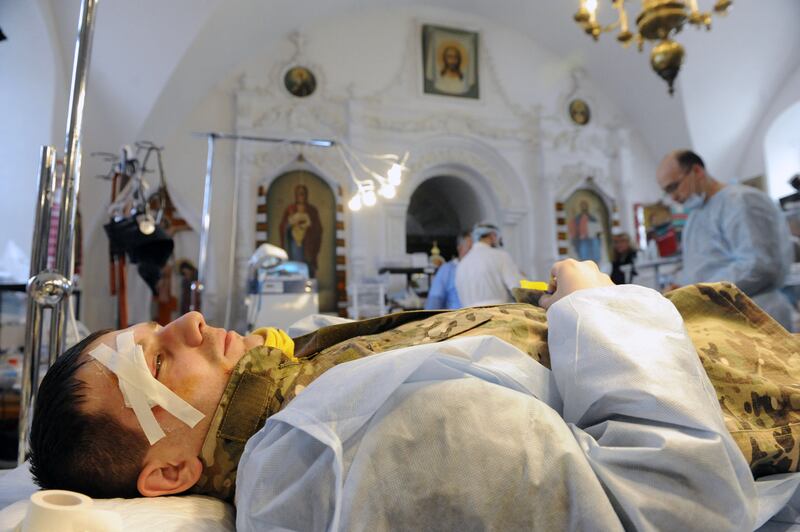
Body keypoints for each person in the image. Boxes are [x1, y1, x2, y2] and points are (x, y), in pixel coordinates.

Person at [28, 260, 800, 530]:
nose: (193, 321)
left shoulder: (297, 396)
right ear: (167, 474)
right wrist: (594, 304)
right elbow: (681, 506)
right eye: (158, 365)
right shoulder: (321, 456)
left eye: (164, 325)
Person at [656, 149, 794, 329]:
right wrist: (681, 285)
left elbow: (759, 266)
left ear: (697, 171)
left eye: (673, 187)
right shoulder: (695, 216)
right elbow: (703, 264)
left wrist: (697, 292)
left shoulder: (742, 201)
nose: (673, 197)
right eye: (667, 192)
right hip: (721, 317)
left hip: (755, 313)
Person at [455, 222, 524, 306]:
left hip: (470, 316)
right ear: (492, 235)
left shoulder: (462, 264)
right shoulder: (500, 256)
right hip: (497, 314)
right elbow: (517, 288)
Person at [279, 184, 322, 278]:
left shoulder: (312, 210)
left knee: (307, 264)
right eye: (299, 194)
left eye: (303, 194)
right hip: (294, 243)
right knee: (295, 263)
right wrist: (291, 224)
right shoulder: (290, 209)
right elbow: (283, 226)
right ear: (296, 195)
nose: (301, 196)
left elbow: (318, 228)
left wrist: (307, 227)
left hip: (308, 244)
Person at [424, 231, 472, 310]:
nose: (474, 252)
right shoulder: (447, 270)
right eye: (470, 248)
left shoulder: (480, 269)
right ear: (460, 248)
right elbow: (434, 301)